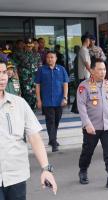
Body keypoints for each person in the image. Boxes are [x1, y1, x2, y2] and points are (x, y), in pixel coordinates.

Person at [0, 61, 57, 199]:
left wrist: (46, 169)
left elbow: (34, 137)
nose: (2, 77)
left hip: (16, 177)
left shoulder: (19, 103)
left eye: (3, 72)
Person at [77, 58, 108, 190]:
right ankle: (83, 170)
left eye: (104, 69)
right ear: (91, 70)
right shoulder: (83, 86)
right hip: (92, 127)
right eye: (99, 69)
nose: (103, 72)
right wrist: (87, 124)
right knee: (88, 152)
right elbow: (81, 106)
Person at [35, 51, 69, 152]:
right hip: (47, 101)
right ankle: (54, 143)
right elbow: (37, 85)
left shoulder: (61, 69)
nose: (50, 59)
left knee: (56, 121)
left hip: (59, 101)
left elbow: (65, 84)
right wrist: (39, 100)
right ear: (46, 59)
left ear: (56, 58)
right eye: (48, 57)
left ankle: (51, 139)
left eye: (52, 57)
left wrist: (65, 97)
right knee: (50, 121)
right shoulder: (41, 70)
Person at [17, 38, 42, 110]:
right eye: (28, 46)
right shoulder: (20, 54)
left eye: (31, 46)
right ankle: (26, 111)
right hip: (25, 80)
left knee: (34, 96)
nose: (30, 47)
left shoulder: (36, 55)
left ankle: (32, 112)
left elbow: (40, 66)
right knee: (26, 96)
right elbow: (15, 67)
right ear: (25, 45)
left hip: (34, 80)